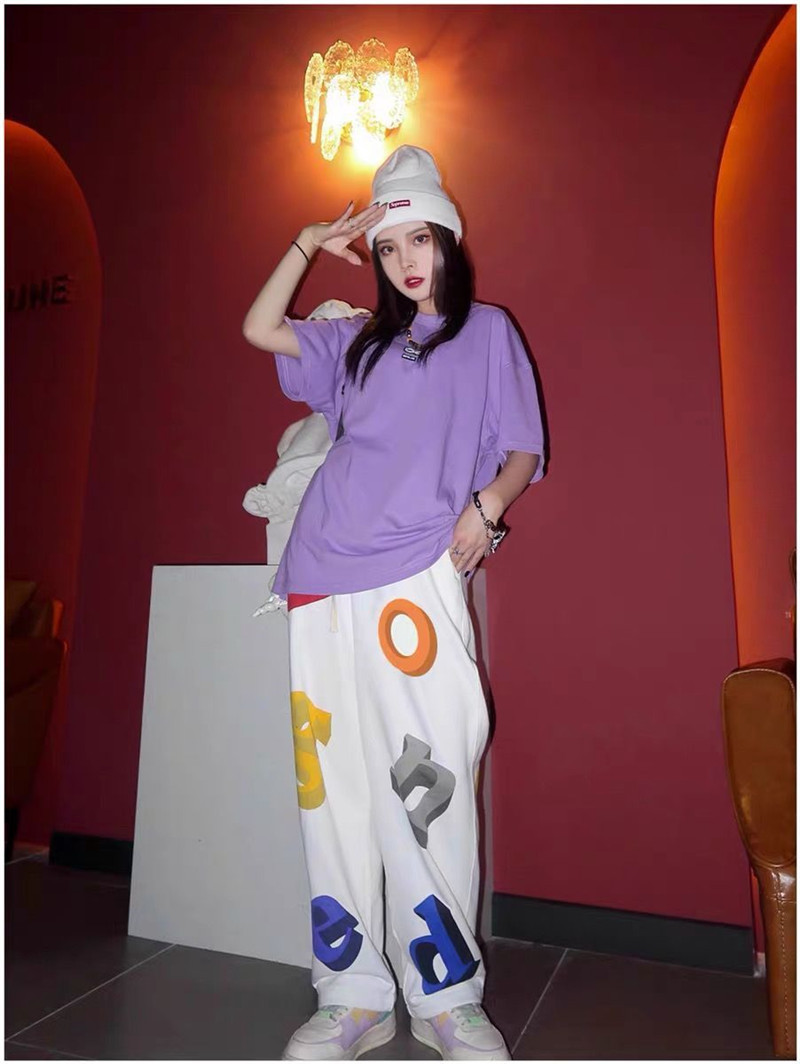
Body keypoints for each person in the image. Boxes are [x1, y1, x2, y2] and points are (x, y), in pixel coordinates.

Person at [243, 145, 545, 1061]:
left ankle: (447, 997)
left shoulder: (487, 332)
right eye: (387, 247)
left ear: (449, 239)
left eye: (420, 239)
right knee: (329, 792)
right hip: (320, 571)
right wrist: (307, 241)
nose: (406, 260)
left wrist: (486, 510)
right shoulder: (358, 342)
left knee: (430, 787)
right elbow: (261, 328)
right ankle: (352, 996)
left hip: (416, 570)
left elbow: (523, 449)